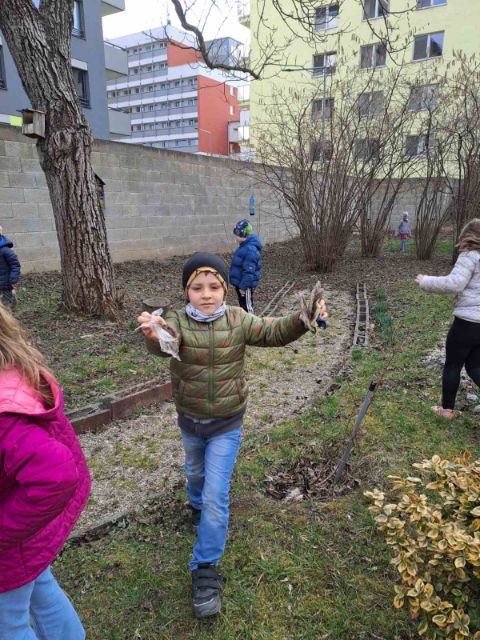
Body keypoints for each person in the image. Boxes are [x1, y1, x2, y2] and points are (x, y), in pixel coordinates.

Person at [137, 252, 327, 619]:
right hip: (190, 419)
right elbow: (164, 344)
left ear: (225, 289)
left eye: (214, 286)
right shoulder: (176, 320)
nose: (206, 294)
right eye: (197, 287)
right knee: (194, 473)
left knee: (215, 494)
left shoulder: (238, 319)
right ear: (186, 291)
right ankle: (195, 508)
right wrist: (152, 333)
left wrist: (303, 319)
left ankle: (205, 567)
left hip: (227, 422)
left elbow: (272, 331)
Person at [0, 303, 91, 639]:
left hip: (10, 543)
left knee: (8, 623)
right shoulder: (12, 369)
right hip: (23, 535)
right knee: (40, 586)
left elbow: (55, 475)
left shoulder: (5, 415)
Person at [416, 218, 480, 419]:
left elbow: (455, 283)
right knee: (475, 366)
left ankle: (446, 411)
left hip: (467, 323)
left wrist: (425, 281)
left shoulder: (470, 256)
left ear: (468, 236)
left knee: (453, 364)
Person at [229, 219, 262, 313]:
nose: (235, 236)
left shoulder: (250, 250)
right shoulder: (244, 246)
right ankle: (244, 320)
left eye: (237, 234)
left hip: (245, 285)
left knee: (247, 307)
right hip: (240, 283)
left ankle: (251, 321)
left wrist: (243, 287)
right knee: (243, 305)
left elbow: (249, 272)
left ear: (243, 234)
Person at [0, 225, 21, 307]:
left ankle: (10, 303)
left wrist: (13, 280)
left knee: (5, 305)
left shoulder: (6, 251)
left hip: (5, 284)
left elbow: (15, 265)